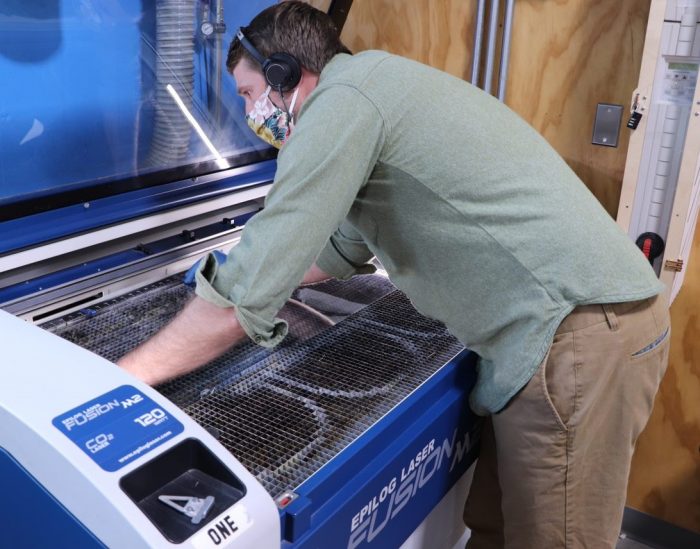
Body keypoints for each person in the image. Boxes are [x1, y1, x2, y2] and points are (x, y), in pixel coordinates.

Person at [118, 2, 670, 547]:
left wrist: (126, 378)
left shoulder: (341, 103)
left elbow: (247, 293)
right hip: (560, 336)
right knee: (499, 528)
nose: (248, 115)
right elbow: (339, 249)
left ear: (284, 73)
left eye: (246, 93)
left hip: (579, 338)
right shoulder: (375, 86)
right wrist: (238, 274)